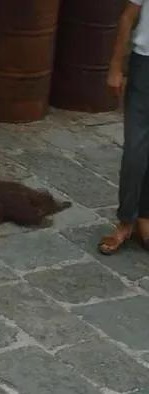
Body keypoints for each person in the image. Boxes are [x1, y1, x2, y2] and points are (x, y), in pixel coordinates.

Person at [101, 0, 149, 254]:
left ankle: (145, 218)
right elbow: (127, 17)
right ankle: (125, 220)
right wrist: (115, 66)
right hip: (145, 65)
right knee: (135, 150)